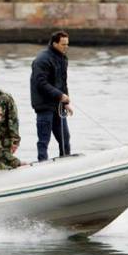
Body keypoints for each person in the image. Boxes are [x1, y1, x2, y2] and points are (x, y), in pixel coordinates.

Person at [30, 30, 74, 161]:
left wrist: (66, 103)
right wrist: (60, 95)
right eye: (63, 44)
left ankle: (66, 160)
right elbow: (40, 83)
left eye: (67, 44)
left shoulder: (62, 58)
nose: (66, 47)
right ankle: (42, 163)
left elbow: (62, 83)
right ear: (54, 43)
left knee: (65, 138)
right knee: (44, 140)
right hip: (44, 106)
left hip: (58, 105)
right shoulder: (42, 59)